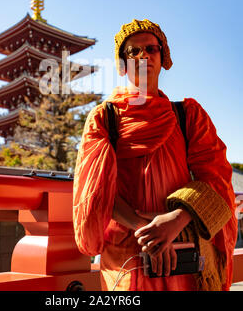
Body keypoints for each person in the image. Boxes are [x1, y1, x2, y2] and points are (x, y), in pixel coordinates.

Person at [73, 18, 237, 291]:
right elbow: (96, 191)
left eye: (151, 49)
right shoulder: (103, 118)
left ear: (164, 56)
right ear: (122, 64)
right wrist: (148, 231)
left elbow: (217, 180)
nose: (143, 56)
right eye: (133, 51)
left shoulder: (188, 115)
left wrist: (176, 220)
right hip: (127, 255)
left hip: (183, 247)